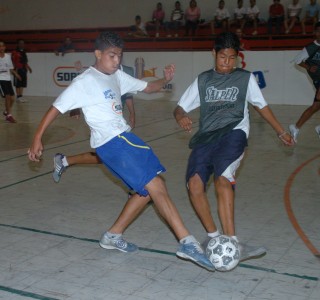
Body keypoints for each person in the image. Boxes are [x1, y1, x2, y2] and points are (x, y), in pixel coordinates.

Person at [28, 31, 214, 271]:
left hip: (122, 140)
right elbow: (56, 108)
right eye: (112, 55)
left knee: (145, 191)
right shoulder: (85, 81)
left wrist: (165, 79)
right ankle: (187, 242)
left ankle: (113, 236)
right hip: (114, 143)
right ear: (98, 54)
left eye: (119, 56)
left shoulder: (117, 76)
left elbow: (148, 88)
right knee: (156, 185)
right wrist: (37, 137)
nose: (116, 61)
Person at [173, 32, 294, 262]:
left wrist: (280, 130)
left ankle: (233, 242)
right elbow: (180, 107)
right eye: (222, 57)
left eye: (231, 58)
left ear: (237, 57)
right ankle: (213, 237)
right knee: (194, 184)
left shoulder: (245, 79)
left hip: (234, 134)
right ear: (213, 54)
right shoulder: (203, 80)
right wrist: (180, 116)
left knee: (222, 179)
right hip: (207, 137)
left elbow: (261, 106)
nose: (227, 63)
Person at [54, 64, 136, 183]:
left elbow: (128, 95)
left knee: (107, 156)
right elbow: (82, 89)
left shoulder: (126, 71)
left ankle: (64, 161)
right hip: (102, 121)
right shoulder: (99, 69)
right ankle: (135, 190)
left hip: (117, 122)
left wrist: (132, 113)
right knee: (121, 155)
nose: (116, 57)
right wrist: (75, 108)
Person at [289, 22, 320, 142]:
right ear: (315, 33)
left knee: (316, 106)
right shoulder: (310, 48)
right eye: (318, 31)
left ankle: (295, 127)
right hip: (318, 79)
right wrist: (308, 67)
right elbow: (297, 61)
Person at [0, 41, 21, 123]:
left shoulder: (8, 57)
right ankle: (9, 116)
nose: (1, 47)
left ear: (5, 47)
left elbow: (11, 68)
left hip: (7, 79)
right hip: (0, 79)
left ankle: (6, 111)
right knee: (7, 96)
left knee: (12, 98)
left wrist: (16, 74)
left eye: (2, 46)